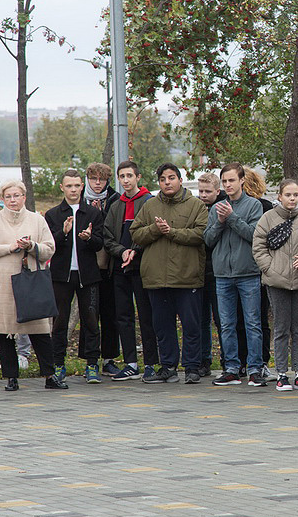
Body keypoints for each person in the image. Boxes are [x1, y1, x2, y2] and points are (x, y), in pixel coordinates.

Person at [0, 180, 62, 390]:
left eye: (16, 195)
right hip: (1, 283)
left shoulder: (37, 220)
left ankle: (50, 376)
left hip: (30, 282)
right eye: (8, 197)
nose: (13, 200)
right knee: (5, 333)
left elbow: (50, 249)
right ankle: (11, 377)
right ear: (2, 200)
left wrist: (31, 246)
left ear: (24, 197)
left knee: (39, 330)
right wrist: (10, 247)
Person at [131, 163, 208, 383]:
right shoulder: (150, 205)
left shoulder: (196, 205)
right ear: (159, 182)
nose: (168, 182)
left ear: (180, 180)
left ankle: (192, 367)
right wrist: (156, 229)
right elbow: (135, 234)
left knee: (191, 326)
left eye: (172, 178)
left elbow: (200, 234)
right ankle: (168, 367)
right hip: (156, 278)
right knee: (163, 327)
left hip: (187, 276)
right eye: (163, 179)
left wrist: (171, 232)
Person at [252, 179, 298, 391]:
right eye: (288, 195)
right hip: (277, 282)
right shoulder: (267, 219)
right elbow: (258, 247)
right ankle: (282, 374)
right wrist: (271, 269)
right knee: (281, 329)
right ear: (280, 196)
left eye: (295, 195)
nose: (292, 199)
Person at [205, 162, 265, 386]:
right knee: (227, 324)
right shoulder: (216, 208)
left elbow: (253, 235)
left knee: (252, 323)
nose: (228, 185)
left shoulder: (254, 206)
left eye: (232, 180)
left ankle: (255, 368)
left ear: (242, 180)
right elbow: (208, 240)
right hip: (222, 275)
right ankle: (231, 368)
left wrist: (231, 217)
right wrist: (220, 221)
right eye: (225, 181)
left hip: (248, 273)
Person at [45, 169, 104, 384]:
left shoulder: (93, 213)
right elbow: (50, 245)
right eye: (69, 185)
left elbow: (100, 243)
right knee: (59, 321)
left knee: (91, 320)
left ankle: (91, 365)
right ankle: (58, 365)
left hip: (87, 276)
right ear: (62, 187)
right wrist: (64, 233)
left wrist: (88, 238)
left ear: (82, 187)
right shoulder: (53, 214)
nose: (73, 189)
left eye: (77, 185)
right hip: (61, 276)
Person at [102, 161, 158, 381]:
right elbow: (108, 237)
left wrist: (135, 251)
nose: (125, 180)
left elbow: (152, 232)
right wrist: (122, 251)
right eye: (122, 176)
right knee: (123, 316)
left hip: (143, 268)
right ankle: (131, 363)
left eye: (129, 176)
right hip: (119, 268)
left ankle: (152, 363)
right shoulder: (116, 204)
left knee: (147, 316)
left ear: (138, 177)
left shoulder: (149, 202)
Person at [83, 162, 122, 378]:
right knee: (89, 314)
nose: (98, 183)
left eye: (102, 179)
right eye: (94, 179)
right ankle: (90, 359)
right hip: (85, 264)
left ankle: (109, 358)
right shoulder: (79, 198)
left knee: (110, 312)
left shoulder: (114, 199)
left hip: (108, 264)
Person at [241, 168, 274, 373]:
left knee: (258, 319)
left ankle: (258, 361)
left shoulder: (264, 207)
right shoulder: (226, 206)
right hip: (240, 269)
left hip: (258, 269)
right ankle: (249, 362)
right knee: (249, 320)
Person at [194, 172, 225, 376]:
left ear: (217, 191)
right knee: (201, 319)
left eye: (208, 191)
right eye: (201, 191)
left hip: (218, 270)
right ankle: (204, 359)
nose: (203, 195)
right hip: (198, 270)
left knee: (222, 319)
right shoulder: (196, 208)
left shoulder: (223, 208)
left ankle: (227, 358)